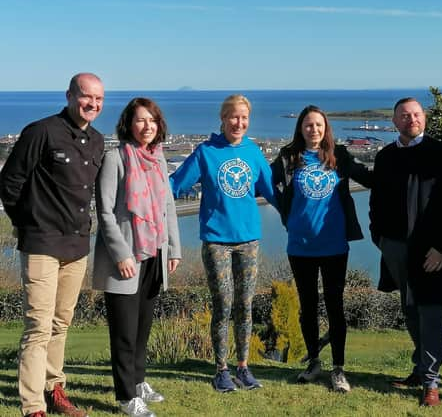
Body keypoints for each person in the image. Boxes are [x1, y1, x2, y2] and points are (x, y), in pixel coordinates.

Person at [0, 73, 105, 417]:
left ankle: (53, 389)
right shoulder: (41, 131)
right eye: (86, 97)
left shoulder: (98, 141)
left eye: (99, 99)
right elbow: (11, 182)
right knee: (38, 326)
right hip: (42, 244)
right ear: (70, 95)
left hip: (77, 247)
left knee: (61, 322)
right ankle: (33, 407)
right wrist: (28, 223)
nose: (93, 104)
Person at [170, 94, 275, 393]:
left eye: (243, 118)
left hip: (249, 240)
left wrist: (296, 220)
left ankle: (243, 366)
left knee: (245, 305)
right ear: (223, 119)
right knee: (224, 304)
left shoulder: (253, 152)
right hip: (217, 241)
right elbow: (176, 185)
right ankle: (221, 370)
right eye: (233, 116)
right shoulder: (206, 152)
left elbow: (272, 192)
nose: (238, 123)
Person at [369, 97, 442, 407]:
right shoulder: (385, 157)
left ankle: (431, 382)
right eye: (404, 115)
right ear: (395, 122)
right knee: (410, 309)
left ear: (424, 118)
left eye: (416, 114)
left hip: (433, 251)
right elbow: (376, 201)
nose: (412, 119)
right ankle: (421, 368)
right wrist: (380, 238)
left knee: (431, 312)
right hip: (395, 246)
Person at [271, 105, 372, 393]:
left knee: (335, 306)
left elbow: (367, 177)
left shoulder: (338, 155)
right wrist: (285, 213)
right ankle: (314, 362)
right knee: (308, 307)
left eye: (318, 125)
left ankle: (338, 368)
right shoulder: (289, 157)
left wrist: (402, 174)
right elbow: (266, 183)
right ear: (300, 129)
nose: (313, 130)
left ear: (325, 128)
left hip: (334, 245)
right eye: (308, 125)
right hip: (300, 246)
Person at [93, 98, 181, 417]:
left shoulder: (158, 159)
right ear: (128, 124)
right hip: (126, 257)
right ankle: (126, 395)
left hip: (154, 253)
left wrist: (173, 249)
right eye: (141, 120)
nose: (147, 126)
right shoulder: (115, 158)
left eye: (152, 120)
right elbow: (104, 211)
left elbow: (167, 207)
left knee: (143, 326)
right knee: (124, 330)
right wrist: (120, 254)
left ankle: (139, 380)